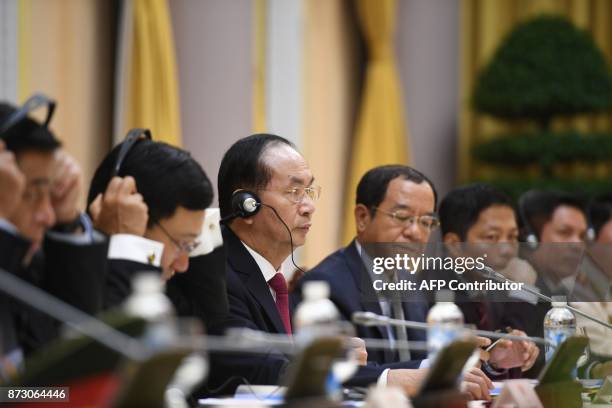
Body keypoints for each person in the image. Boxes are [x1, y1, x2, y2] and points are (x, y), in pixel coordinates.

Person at [206, 136, 493, 400]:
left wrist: (440, 367)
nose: (308, 207)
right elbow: (263, 369)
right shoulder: (215, 275)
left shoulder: (265, 277)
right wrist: (381, 377)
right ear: (246, 205)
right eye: (294, 191)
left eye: (309, 191)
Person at [0, 98, 108, 377]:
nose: (47, 216)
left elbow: (71, 368)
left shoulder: (24, 265)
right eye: (30, 194)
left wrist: (67, 225)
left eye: (50, 194)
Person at [292, 165, 435, 365]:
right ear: (362, 218)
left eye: (426, 222)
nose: (416, 233)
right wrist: (426, 368)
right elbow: (346, 372)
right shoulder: (326, 285)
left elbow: (424, 357)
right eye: (402, 217)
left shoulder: (412, 284)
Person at [86, 136, 227, 327]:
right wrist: (125, 242)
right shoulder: (76, 283)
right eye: (181, 244)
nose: (183, 265)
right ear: (130, 218)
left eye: (190, 245)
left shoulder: (170, 281)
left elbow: (212, 332)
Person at [438, 183, 540, 377]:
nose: (507, 249)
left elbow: (502, 355)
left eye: (512, 236)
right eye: (492, 237)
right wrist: (523, 291)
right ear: (454, 245)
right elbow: (463, 364)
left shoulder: (492, 284)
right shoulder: (434, 293)